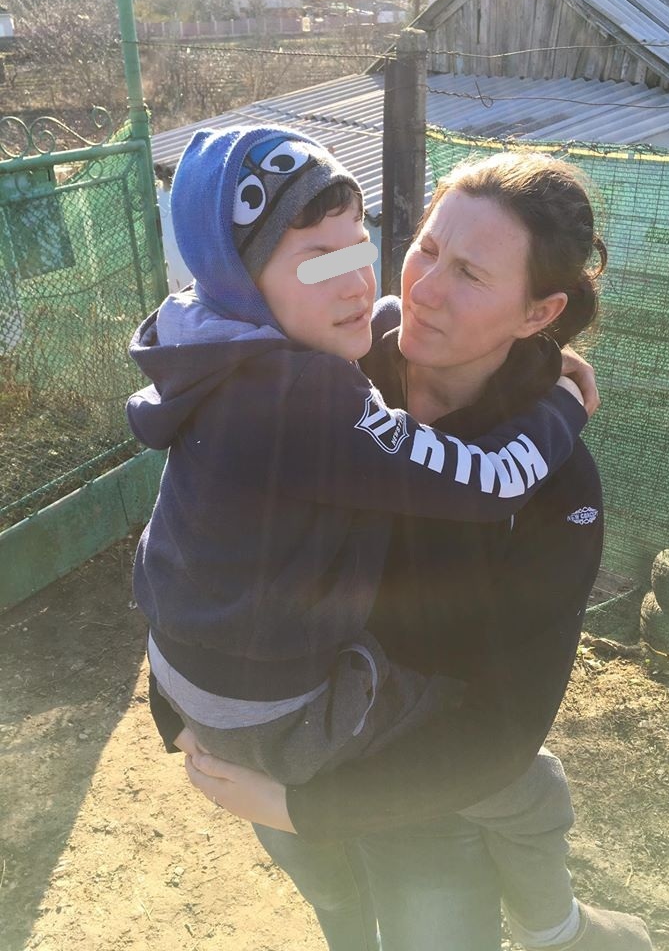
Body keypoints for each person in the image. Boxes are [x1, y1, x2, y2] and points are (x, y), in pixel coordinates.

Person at [173, 151, 654, 951]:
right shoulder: (328, 363)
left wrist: (303, 808)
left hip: (420, 788)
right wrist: (185, 707)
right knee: (336, 909)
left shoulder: (555, 482)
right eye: (427, 248)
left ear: (539, 312)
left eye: (470, 273)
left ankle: (565, 929)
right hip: (282, 740)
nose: (426, 287)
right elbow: (197, 518)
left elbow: (502, 730)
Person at [127, 124, 590, 790]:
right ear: (238, 280)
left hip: (186, 668)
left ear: (538, 313)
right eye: (427, 251)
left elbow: (369, 311)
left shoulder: (214, 347)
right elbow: (490, 481)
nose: (358, 284)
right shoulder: (307, 393)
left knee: (526, 791)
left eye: (358, 249)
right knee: (506, 764)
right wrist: (563, 405)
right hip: (276, 711)